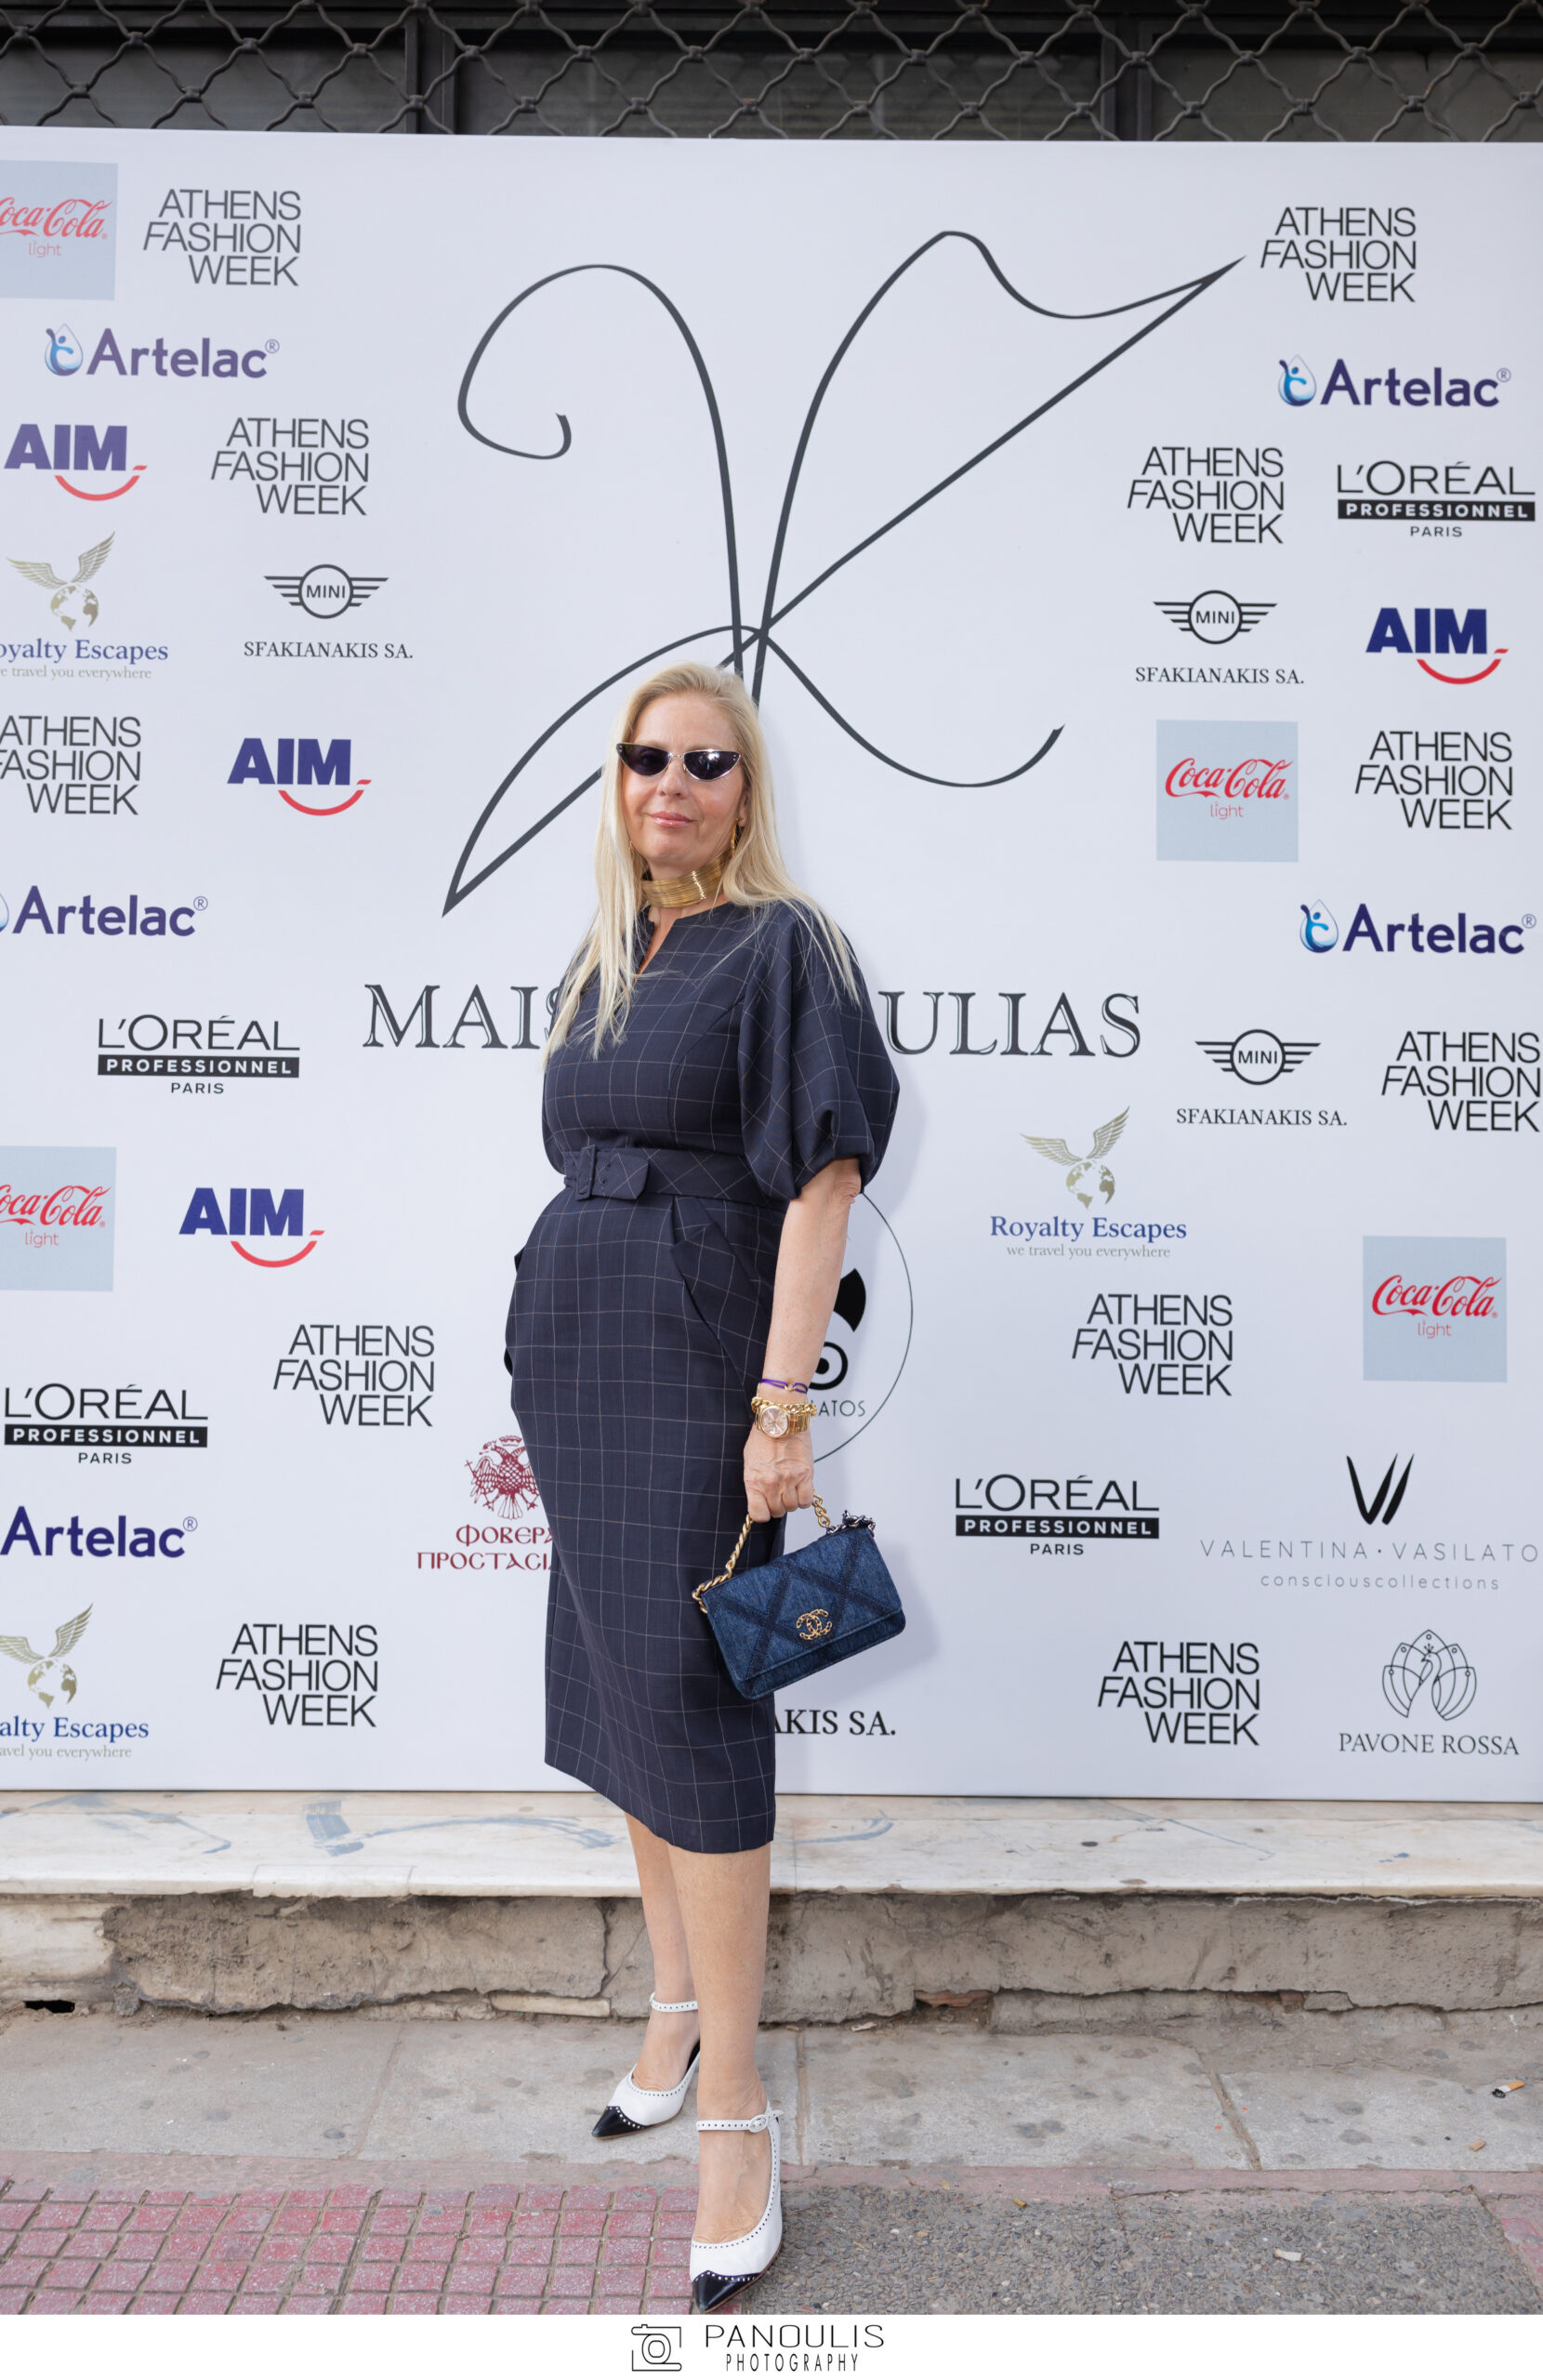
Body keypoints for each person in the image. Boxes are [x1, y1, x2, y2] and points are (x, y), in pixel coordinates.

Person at [507, 659, 898, 2308]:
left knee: (695, 1702)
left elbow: (824, 1180)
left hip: (693, 1356)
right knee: (620, 1688)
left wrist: (781, 1404)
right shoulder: (613, 952)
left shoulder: (783, 945)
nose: (670, 782)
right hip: (575, 1351)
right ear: (618, 783)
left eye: (706, 762)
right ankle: (671, 2012)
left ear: (746, 794)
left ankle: (736, 2111)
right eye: (644, 757)